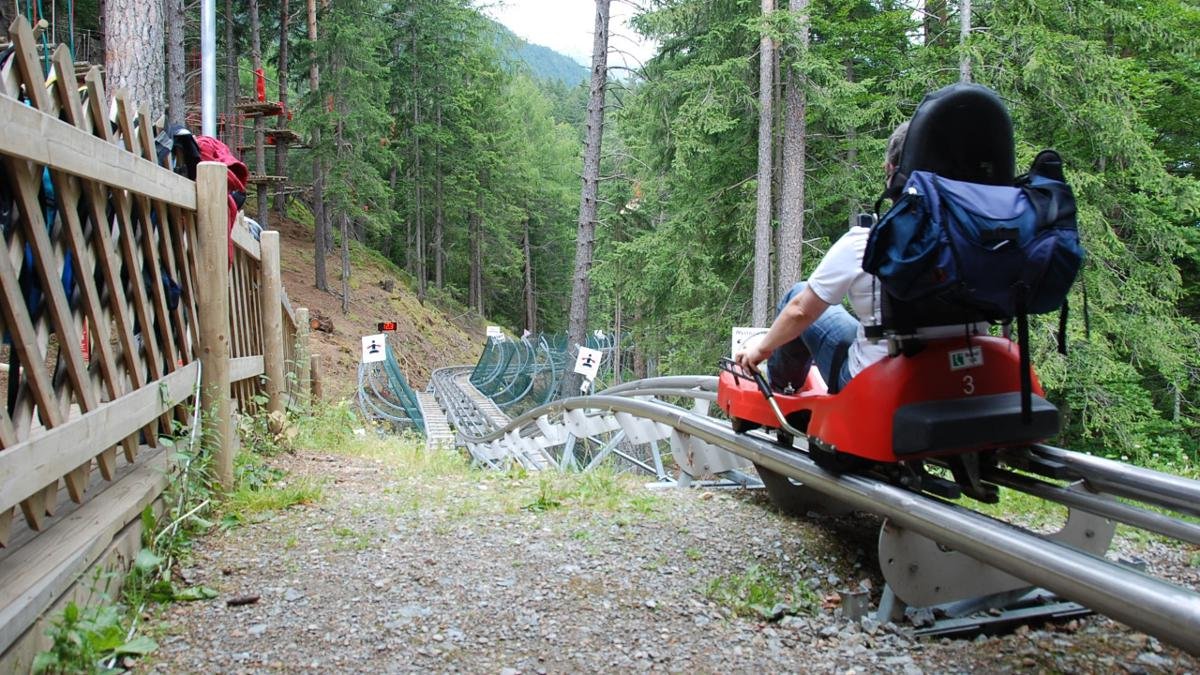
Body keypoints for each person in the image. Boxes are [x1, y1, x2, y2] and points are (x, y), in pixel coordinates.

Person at [735, 121, 981, 393]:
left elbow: (800, 311)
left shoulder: (867, 243)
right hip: (965, 373)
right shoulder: (983, 238)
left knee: (799, 292)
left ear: (891, 171)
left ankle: (780, 396)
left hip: (878, 382)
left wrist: (761, 348)